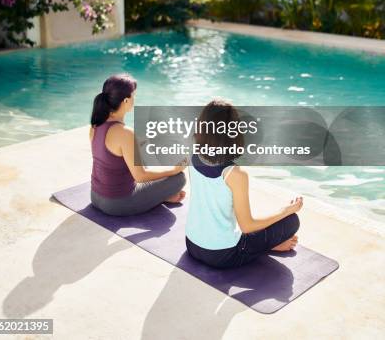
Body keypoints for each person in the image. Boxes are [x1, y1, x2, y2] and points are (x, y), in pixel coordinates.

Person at [185, 99, 302, 268]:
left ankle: (269, 245)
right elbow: (248, 226)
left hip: (192, 244)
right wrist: (286, 210)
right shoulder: (235, 174)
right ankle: (270, 247)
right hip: (223, 255)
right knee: (291, 221)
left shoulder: (192, 155)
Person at [90, 74, 186, 216]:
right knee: (179, 178)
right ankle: (160, 197)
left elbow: (109, 154)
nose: (134, 99)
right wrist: (173, 170)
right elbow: (140, 177)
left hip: (95, 197)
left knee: (143, 151)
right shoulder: (125, 133)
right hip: (118, 204)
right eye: (134, 95)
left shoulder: (95, 125)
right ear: (126, 100)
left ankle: (160, 196)